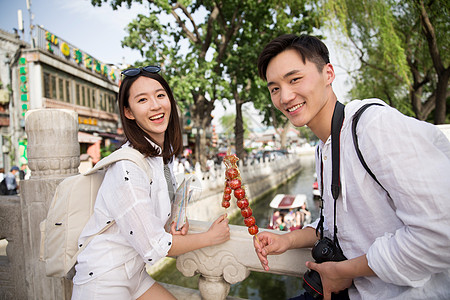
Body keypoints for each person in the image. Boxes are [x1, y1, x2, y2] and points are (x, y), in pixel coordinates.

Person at [253, 34, 450, 300]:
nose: (285, 96)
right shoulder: (324, 147)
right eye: (274, 88)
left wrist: (347, 270)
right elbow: (336, 224)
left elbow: (441, 233)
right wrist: (288, 240)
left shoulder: (374, 127)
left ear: (329, 73)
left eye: (295, 79)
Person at [71, 65, 230, 300]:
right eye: (142, 99)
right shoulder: (127, 166)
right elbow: (154, 248)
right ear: (129, 112)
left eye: (160, 95)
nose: (155, 105)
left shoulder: (159, 156)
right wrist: (210, 237)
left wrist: (171, 225)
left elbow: (146, 220)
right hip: (104, 280)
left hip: (134, 274)